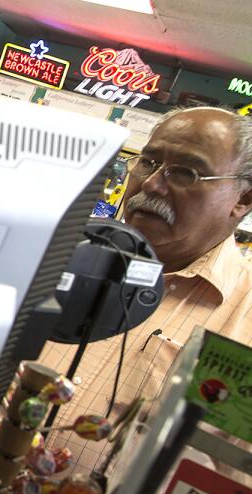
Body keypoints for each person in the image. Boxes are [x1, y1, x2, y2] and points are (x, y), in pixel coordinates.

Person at [40, 107, 252, 475]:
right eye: (148, 161)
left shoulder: (244, 321)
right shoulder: (56, 251)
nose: (151, 183)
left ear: (243, 199)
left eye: (186, 172)